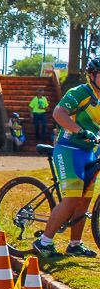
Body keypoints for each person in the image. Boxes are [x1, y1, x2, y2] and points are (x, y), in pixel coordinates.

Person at [32, 57, 100, 259]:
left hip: (89, 152)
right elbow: (59, 113)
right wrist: (80, 130)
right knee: (72, 198)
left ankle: (74, 245)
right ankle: (44, 242)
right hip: (69, 149)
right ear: (92, 75)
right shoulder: (80, 93)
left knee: (85, 200)